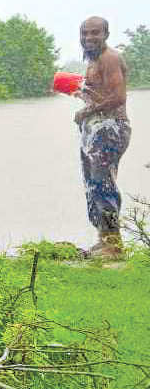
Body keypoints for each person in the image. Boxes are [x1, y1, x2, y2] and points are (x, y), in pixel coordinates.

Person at [73, 16, 130, 259]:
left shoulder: (110, 58)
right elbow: (99, 95)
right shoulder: (93, 61)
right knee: (92, 184)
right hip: (95, 129)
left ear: (106, 34)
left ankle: (113, 244)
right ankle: (104, 238)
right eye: (85, 33)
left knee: (103, 183)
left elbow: (118, 97)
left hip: (110, 129)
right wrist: (81, 95)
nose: (88, 38)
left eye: (94, 33)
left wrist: (87, 110)